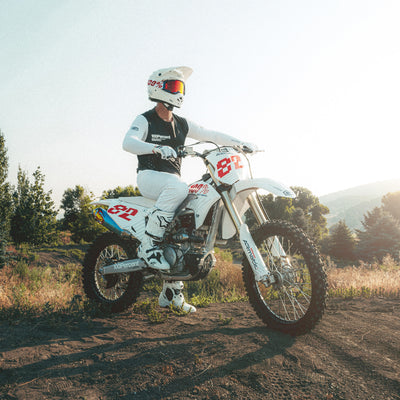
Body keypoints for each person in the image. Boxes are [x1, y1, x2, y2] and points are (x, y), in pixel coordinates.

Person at [122, 66, 256, 312]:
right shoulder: (145, 119)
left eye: (180, 87)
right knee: (180, 188)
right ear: (157, 88)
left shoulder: (181, 123)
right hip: (151, 176)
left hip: (173, 183)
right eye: (173, 86)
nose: (178, 92)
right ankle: (148, 246)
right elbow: (128, 142)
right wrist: (154, 148)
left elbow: (209, 133)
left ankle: (171, 295)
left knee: (183, 229)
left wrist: (239, 143)